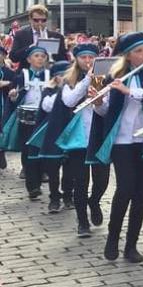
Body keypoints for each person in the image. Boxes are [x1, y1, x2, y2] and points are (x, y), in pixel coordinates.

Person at [88, 32, 143, 263]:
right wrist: (97, 102)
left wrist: (129, 91)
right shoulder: (114, 76)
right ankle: (112, 239)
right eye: (139, 51)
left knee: (140, 194)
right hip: (122, 141)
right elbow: (105, 113)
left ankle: (131, 245)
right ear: (127, 55)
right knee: (124, 189)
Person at [54, 44, 111, 237]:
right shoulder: (69, 80)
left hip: (98, 135)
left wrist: (99, 88)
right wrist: (87, 80)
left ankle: (94, 201)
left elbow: (107, 108)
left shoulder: (105, 78)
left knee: (102, 179)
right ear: (76, 59)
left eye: (91, 57)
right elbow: (69, 101)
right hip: (78, 138)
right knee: (81, 181)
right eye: (84, 57)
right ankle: (82, 222)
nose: (88, 61)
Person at [1, 46, 51, 203]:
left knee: (41, 149)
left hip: (44, 118)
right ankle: (32, 186)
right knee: (28, 150)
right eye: (36, 56)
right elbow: (14, 97)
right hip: (26, 119)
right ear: (29, 59)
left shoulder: (50, 75)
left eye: (43, 56)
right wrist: (13, 95)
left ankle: (41, 174)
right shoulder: (21, 75)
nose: (40, 59)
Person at [26, 61, 70, 213]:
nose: (65, 78)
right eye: (61, 75)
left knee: (70, 169)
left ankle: (68, 195)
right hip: (52, 133)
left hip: (70, 133)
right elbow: (47, 106)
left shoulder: (74, 89)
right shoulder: (49, 91)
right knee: (53, 167)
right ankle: (54, 197)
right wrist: (60, 91)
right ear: (55, 78)